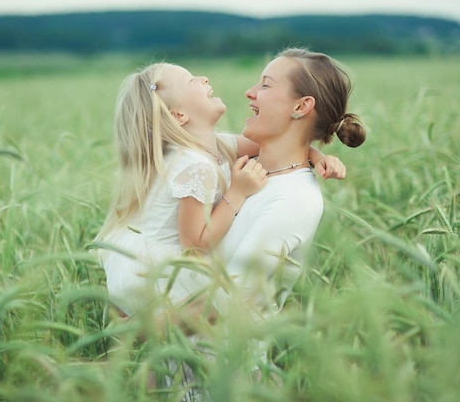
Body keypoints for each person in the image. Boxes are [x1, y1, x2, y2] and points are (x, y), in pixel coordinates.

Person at [94, 61, 346, 323]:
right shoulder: (195, 166)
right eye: (192, 80)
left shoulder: (214, 144)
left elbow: (280, 144)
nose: (204, 77)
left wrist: (317, 156)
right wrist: (237, 192)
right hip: (156, 273)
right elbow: (194, 244)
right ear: (179, 115)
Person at [213, 47, 366, 329]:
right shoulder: (241, 166)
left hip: (221, 367)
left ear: (300, 107)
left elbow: (230, 299)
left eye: (265, 84)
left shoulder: (295, 199)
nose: (250, 92)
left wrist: (146, 322)